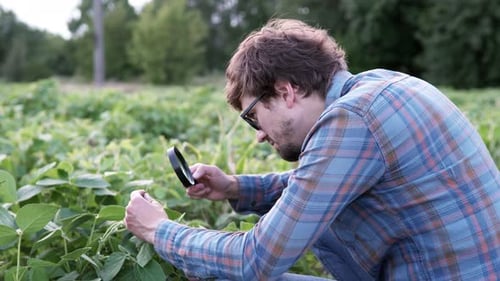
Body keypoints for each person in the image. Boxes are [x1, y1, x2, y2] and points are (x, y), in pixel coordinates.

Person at [124, 18, 500, 280]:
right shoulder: (383, 86)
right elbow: (319, 184)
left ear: (287, 91)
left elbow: (256, 260)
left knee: (219, 275)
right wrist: (236, 188)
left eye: (254, 117)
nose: (258, 135)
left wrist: (159, 230)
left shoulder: (351, 120)